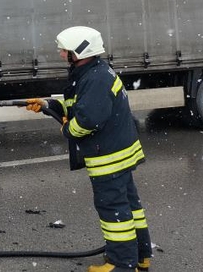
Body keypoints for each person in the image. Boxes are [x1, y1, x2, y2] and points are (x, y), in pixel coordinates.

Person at [26, 26, 152, 272]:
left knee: (114, 211)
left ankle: (122, 265)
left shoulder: (94, 78)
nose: (62, 54)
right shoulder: (93, 72)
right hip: (118, 152)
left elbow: (87, 120)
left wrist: (67, 130)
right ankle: (140, 256)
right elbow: (80, 107)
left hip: (108, 157)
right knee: (129, 207)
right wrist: (48, 105)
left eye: (65, 50)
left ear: (80, 51)